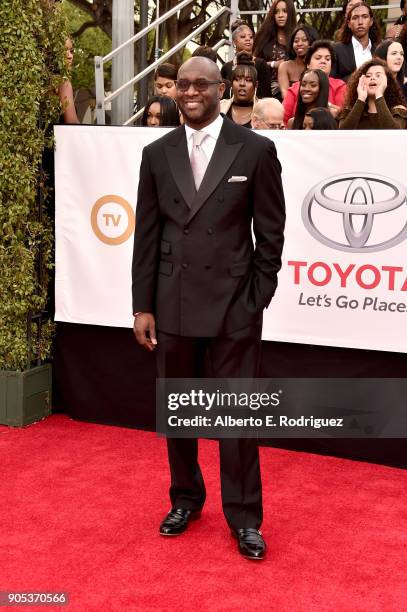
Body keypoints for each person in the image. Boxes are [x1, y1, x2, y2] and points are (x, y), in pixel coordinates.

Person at [132, 56, 285, 560]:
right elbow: (148, 237)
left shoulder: (256, 150)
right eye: (183, 85)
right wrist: (142, 306)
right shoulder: (157, 153)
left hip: (234, 306)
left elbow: (271, 230)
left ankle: (245, 517)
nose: (190, 91)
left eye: (201, 84)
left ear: (222, 89)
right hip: (171, 304)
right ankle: (185, 498)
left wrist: (258, 296)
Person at [283, 40, 346, 124]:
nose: (323, 61)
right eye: (318, 58)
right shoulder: (295, 88)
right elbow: (283, 120)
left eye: (327, 59)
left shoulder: (339, 86)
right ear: (308, 64)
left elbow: (343, 117)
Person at [338, 58, 407, 128]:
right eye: (368, 76)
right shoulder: (349, 110)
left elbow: (393, 134)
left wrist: (379, 95)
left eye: (378, 75)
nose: (373, 78)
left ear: (388, 81)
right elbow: (343, 133)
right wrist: (361, 99)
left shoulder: (397, 110)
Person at [253, 0, 297, 99]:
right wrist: (274, 64)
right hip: (266, 87)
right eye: (276, 12)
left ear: (291, 13)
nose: (280, 15)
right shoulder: (263, 37)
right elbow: (253, 61)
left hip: (292, 87)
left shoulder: (297, 38)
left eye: (284, 11)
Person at [332, 2, 381, 81]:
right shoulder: (336, 50)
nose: (360, 22)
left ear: (371, 21)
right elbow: (332, 82)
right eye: (355, 18)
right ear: (349, 24)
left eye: (365, 17)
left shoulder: (379, 50)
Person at [221, 22, 271, 99]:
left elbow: (266, 94)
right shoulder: (226, 67)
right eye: (243, 37)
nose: (248, 39)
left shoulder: (261, 64)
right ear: (234, 41)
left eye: (251, 37)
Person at [278, 25, 317, 99]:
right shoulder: (285, 66)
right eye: (296, 41)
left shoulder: (317, 65)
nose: (299, 44)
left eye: (304, 40)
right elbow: (285, 95)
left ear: (312, 42)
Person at [220, 53, 258, 127]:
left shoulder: (265, 110)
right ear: (231, 83)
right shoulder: (219, 108)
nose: (242, 84)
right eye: (237, 79)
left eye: (248, 80)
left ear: (256, 85)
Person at [58, 38, 79, 124]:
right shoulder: (63, 84)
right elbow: (72, 123)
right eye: (64, 51)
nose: (70, 56)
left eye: (71, 51)